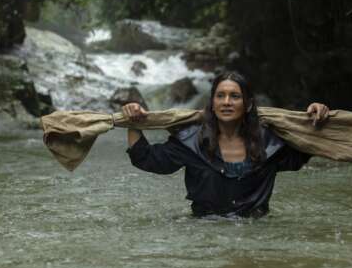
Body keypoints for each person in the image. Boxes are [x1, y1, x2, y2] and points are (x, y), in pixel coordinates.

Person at [122, 71, 329, 218]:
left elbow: (307, 146)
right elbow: (145, 158)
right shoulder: (191, 142)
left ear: (247, 105)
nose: (226, 102)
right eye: (220, 96)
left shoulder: (271, 143)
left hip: (258, 234)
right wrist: (133, 121)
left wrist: (316, 116)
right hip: (206, 234)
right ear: (212, 103)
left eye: (235, 96)